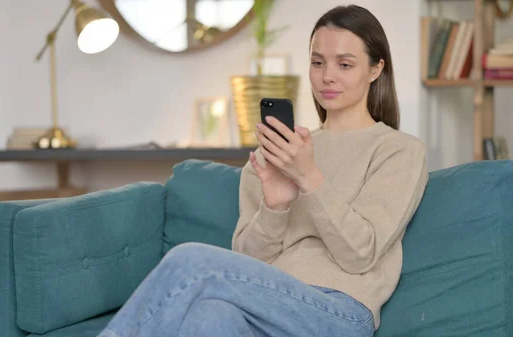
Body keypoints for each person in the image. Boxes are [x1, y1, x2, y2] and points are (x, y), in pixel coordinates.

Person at [97, 4, 428, 337]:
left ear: (375, 69)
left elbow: (360, 255)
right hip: (265, 304)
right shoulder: (276, 155)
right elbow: (247, 260)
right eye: (317, 62)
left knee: (191, 261)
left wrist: (309, 177)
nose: (328, 76)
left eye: (344, 64)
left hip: (339, 312)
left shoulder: (399, 150)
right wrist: (276, 206)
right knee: (210, 315)